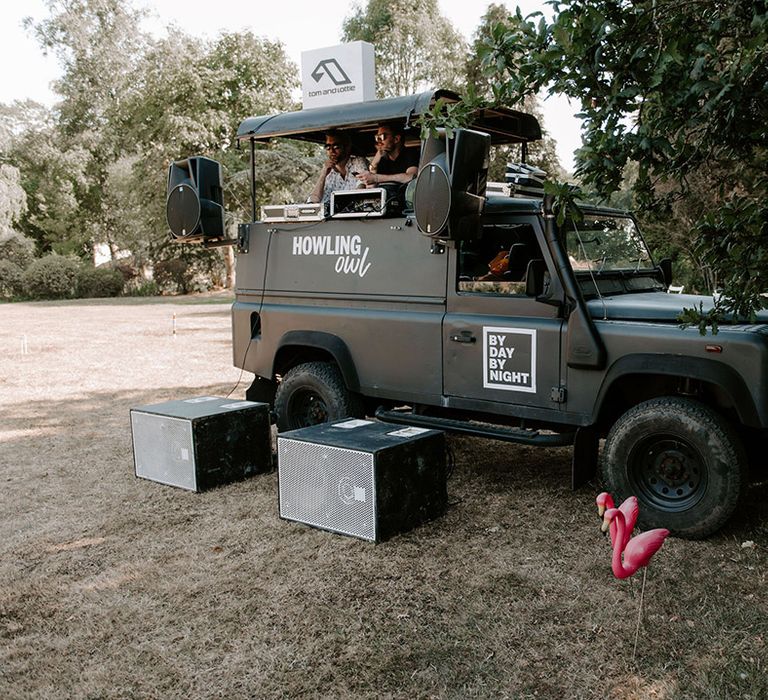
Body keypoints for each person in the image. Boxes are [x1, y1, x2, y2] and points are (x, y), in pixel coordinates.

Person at [308, 130, 369, 204]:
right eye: (328, 147)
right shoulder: (328, 172)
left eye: (336, 147)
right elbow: (313, 201)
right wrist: (323, 175)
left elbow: (362, 187)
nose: (331, 151)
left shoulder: (358, 162)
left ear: (347, 147)